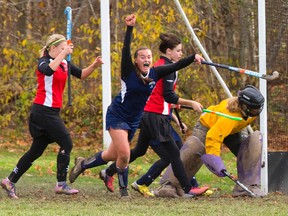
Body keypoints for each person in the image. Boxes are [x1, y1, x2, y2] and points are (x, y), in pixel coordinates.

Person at [69, 14, 204, 198]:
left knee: (112, 154)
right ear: (136, 61)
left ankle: (83, 164)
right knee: (124, 154)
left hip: (135, 119)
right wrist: (129, 28)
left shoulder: (156, 73)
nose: (146, 59)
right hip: (117, 115)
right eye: (142, 57)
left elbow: (177, 65)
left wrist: (193, 57)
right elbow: (126, 49)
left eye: (148, 56)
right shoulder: (128, 71)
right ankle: (124, 192)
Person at [98, 33, 208, 197]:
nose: (180, 54)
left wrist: (193, 58)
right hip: (156, 117)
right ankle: (187, 188)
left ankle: (109, 171)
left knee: (140, 151)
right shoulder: (161, 69)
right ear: (168, 51)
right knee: (174, 153)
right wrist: (190, 103)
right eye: (178, 51)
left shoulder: (160, 67)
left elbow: (167, 94)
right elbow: (168, 96)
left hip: (149, 115)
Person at [0, 34, 103, 199]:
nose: (65, 52)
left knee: (36, 150)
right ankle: (61, 184)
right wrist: (64, 53)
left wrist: (95, 65)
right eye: (61, 49)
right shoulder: (44, 61)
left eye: (65, 49)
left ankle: (9, 180)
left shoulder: (64, 63)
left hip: (52, 111)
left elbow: (82, 74)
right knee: (66, 142)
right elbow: (48, 71)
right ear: (52, 48)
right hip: (42, 110)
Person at [155, 85, 265, 198]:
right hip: (207, 126)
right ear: (245, 106)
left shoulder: (249, 113)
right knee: (195, 149)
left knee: (254, 140)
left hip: (233, 130)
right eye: (255, 109)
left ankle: (246, 186)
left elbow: (241, 125)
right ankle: (169, 185)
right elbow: (213, 138)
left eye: (258, 108)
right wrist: (215, 161)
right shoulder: (228, 117)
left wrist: (249, 155)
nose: (257, 111)